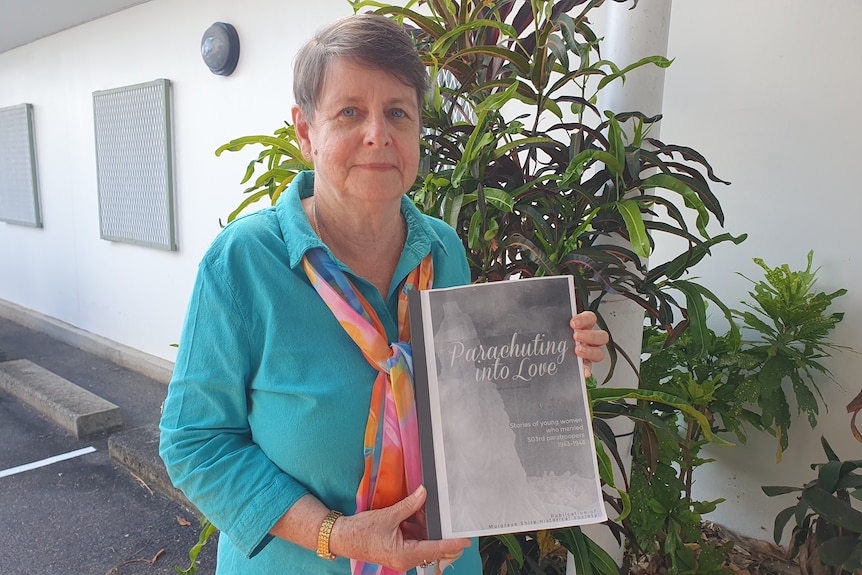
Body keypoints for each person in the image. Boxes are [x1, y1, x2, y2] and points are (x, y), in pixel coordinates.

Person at [159, 13, 609, 575]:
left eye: (398, 112)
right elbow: (195, 443)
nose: (379, 133)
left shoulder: (441, 250)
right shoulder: (244, 262)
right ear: (305, 133)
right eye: (350, 112)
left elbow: (465, 395)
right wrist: (336, 534)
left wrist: (551, 366)